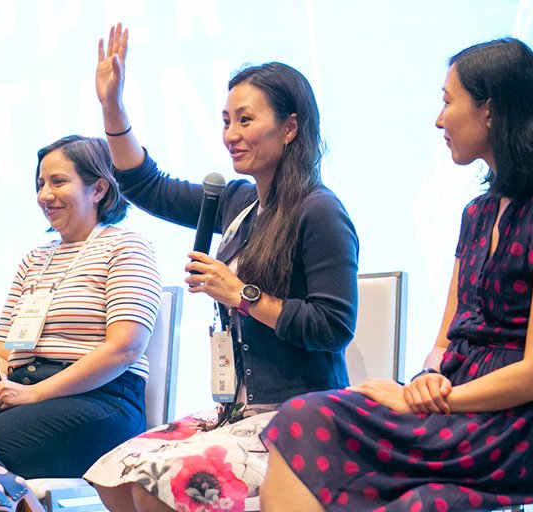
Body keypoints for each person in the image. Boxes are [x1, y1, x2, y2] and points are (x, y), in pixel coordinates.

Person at [259, 38, 533, 511]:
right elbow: (445, 339)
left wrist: (424, 400)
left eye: (448, 102)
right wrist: (425, 379)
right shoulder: (478, 214)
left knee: (392, 483)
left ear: (489, 111)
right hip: (453, 403)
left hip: (517, 425)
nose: (439, 120)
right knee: (303, 416)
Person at [83, 23, 359, 511]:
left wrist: (241, 294)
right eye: (226, 121)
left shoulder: (319, 210)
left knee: (156, 483)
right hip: (236, 411)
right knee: (112, 474)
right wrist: (113, 107)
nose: (230, 135)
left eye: (245, 121)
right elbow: (145, 184)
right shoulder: (238, 202)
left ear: (290, 127)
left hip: (300, 417)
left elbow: (333, 326)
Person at [0, 135, 162, 512]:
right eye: (40, 184)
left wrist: (36, 394)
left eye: (58, 182)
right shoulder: (34, 259)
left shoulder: (127, 247)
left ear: (98, 188)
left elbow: (125, 348)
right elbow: (3, 350)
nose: (44, 195)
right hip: (22, 396)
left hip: (100, 402)